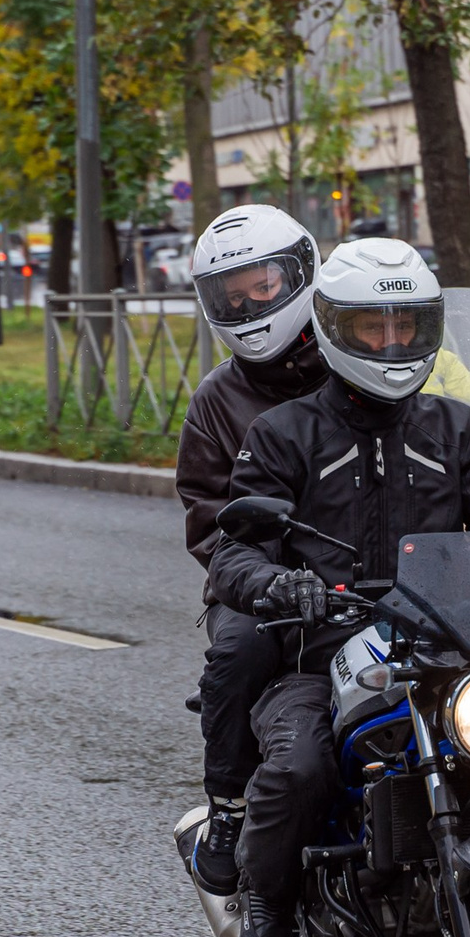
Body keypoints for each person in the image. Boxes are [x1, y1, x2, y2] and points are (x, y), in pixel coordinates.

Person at [208, 237, 470, 937]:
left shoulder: (456, 428)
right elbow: (234, 547)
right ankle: (264, 896)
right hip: (317, 652)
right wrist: (276, 584)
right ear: (334, 327)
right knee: (300, 766)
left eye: (406, 325)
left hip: (441, 642)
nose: (392, 341)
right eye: (372, 327)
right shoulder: (283, 433)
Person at [174, 204, 326, 893]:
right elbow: (206, 514)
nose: (248, 302)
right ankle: (229, 808)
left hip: (370, 566)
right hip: (262, 584)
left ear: (299, 272)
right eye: (231, 293)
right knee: (239, 651)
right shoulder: (215, 400)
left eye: (261, 284)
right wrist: (266, 577)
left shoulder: (357, 365)